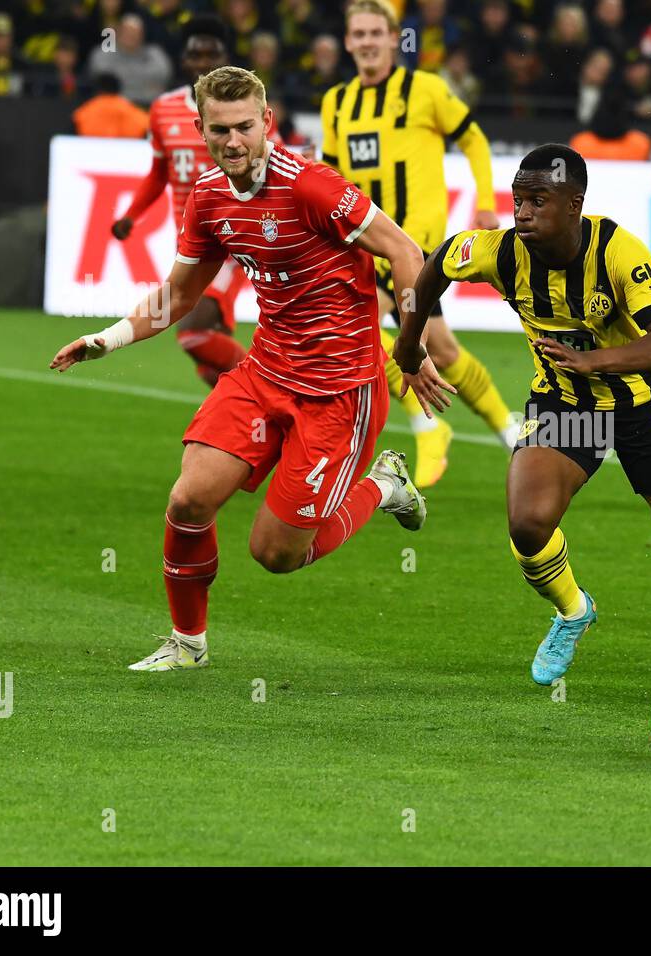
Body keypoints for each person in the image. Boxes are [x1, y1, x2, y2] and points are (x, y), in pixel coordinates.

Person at [49, 66, 446, 672]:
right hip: (265, 373)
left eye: (243, 127)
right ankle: (187, 644)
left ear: (266, 123)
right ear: (201, 130)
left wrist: (411, 347)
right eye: (218, 130)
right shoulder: (207, 196)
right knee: (189, 500)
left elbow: (404, 250)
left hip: (340, 393)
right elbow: (179, 296)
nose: (232, 141)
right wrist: (108, 339)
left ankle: (385, 485)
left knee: (277, 554)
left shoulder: (312, 186)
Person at [390, 144, 651, 711]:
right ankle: (573, 610)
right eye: (518, 200)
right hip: (567, 407)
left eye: (538, 201)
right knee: (527, 523)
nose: (522, 212)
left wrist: (595, 361)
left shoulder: (618, 251)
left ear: (575, 205)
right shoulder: (500, 252)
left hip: (644, 412)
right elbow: (438, 263)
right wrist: (407, 344)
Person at [321, 0, 519, 488]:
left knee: (397, 342)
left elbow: (473, 138)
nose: (367, 42)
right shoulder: (336, 103)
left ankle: (444, 426)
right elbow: (329, 176)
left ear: (394, 39)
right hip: (366, 246)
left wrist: (488, 202)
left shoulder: (426, 89)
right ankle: (489, 429)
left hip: (416, 248)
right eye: (358, 34)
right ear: (348, 42)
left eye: (375, 33)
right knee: (418, 345)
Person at [110, 17, 255, 388]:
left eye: (212, 52)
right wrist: (132, 215)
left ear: (226, 58)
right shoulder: (163, 109)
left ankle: (269, 391)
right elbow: (159, 173)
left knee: (191, 333)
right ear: (184, 59)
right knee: (209, 362)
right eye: (196, 52)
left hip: (234, 241)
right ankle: (257, 430)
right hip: (192, 245)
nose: (203, 60)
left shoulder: (242, 111)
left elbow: (275, 162)